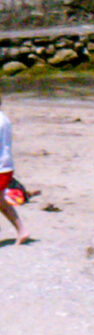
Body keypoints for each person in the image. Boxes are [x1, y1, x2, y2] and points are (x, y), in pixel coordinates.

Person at [0, 92, 23, 245]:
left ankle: (21, 229)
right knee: (1, 201)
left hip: (2, 167)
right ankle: (22, 230)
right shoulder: (3, 118)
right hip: (5, 166)